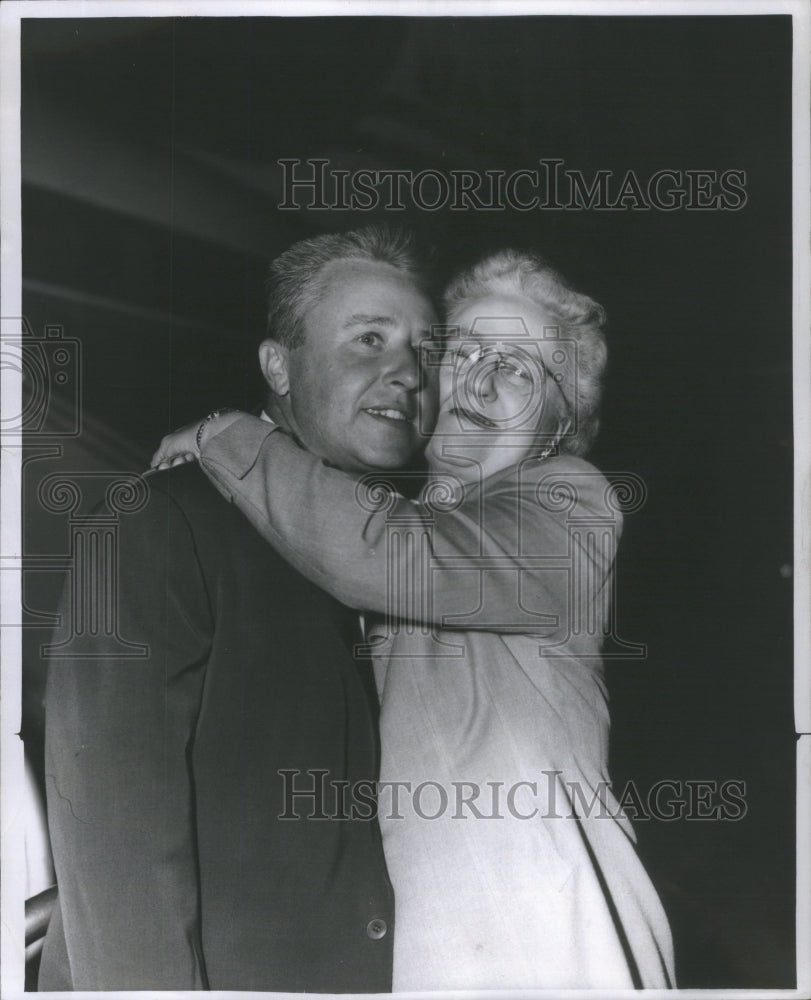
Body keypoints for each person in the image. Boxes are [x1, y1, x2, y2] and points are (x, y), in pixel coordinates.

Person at [154, 250, 677, 990]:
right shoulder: (394, 516)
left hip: (551, 931)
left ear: (557, 424)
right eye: (463, 352)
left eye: (521, 370)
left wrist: (230, 436)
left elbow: (387, 553)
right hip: (426, 945)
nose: (484, 380)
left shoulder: (571, 502)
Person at [39, 225, 438, 991]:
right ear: (278, 368)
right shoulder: (163, 522)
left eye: (426, 349)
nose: (408, 373)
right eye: (368, 340)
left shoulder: (415, 556)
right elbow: (113, 847)